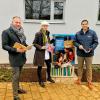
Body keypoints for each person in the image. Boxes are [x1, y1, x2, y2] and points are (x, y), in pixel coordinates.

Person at [2, 16, 31, 100]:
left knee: (18, 75)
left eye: (19, 22)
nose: (18, 24)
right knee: (15, 76)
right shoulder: (6, 32)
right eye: (16, 22)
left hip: (22, 57)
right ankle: (15, 96)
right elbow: (4, 46)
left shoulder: (21, 31)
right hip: (14, 58)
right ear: (12, 22)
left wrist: (27, 46)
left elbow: (23, 42)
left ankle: (18, 89)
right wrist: (16, 50)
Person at [74, 19, 98, 89]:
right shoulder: (78, 33)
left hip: (89, 54)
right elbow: (74, 42)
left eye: (85, 24)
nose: (84, 25)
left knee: (89, 68)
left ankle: (89, 82)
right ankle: (79, 79)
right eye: (83, 24)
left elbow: (96, 42)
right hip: (80, 54)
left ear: (88, 25)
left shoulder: (92, 33)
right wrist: (79, 46)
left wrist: (91, 48)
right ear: (81, 25)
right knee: (79, 67)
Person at [33, 21, 55, 87]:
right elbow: (34, 43)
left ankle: (49, 77)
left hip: (47, 52)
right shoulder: (38, 34)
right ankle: (40, 81)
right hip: (40, 53)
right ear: (41, 26)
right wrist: (41, 47)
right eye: (44, 26)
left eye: (46, 26)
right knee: (40, 67)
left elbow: (47, 43)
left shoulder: (47, 33)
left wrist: (53, 40)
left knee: (49, 65)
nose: (45, 27)